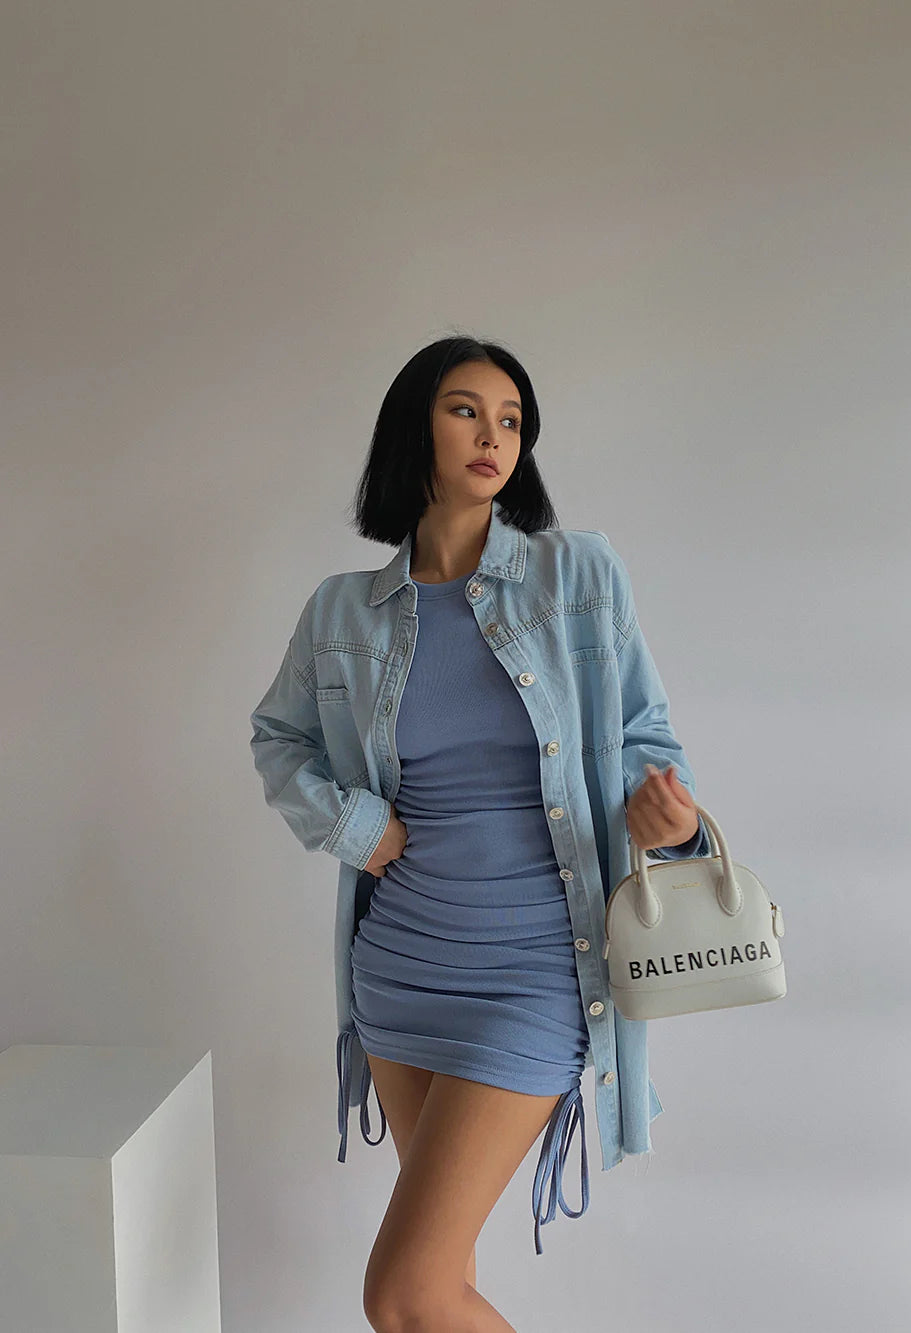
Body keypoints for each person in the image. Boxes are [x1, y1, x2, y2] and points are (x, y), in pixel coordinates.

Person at [249, 333, 710, 1331]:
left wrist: (669, 824)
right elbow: (278, 737)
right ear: (411, 424)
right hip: (401, 968)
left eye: (510, 420)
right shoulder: (342, 614)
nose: (491, 434)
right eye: (465, 409)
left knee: (402, 1297)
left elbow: (641, 736)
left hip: (536, 971)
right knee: (438, 1283)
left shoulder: (576, 578)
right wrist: (354, 822)